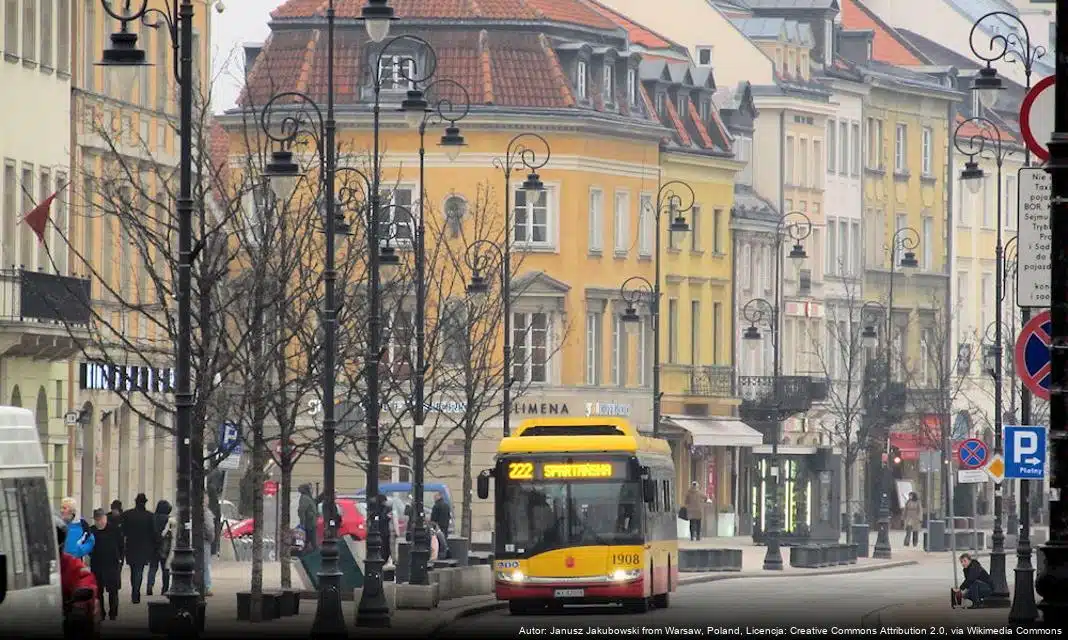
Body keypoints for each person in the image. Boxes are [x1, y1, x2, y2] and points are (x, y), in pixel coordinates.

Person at [56, 518, 101, 639]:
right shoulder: (31, 564)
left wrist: (80, 599)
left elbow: (86, 580)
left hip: (66, 614)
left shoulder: (70, 563)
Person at [88, 508, 122, 620]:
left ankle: (113, 613)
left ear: (105, 518)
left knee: (113, 590)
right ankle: (101, 613)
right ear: (95, 520)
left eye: (102, 519)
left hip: (112, 564)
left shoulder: (114, 529)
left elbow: (121, 544)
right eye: (98, 520)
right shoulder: (91, 531)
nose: (100, 522)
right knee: (98, 591)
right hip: (97, 564)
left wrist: (120, 558)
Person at [121, 494, 155, 603]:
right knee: (139, 570)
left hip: (131, 546)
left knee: (133, 570)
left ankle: (135, 591)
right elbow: (153, 533)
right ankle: (136, 591)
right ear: (145, 503)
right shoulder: (150, 516)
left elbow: (123, 531)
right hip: (144, 547)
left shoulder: (127, 514)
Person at [147, 500, 173, 596]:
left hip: (153, 546)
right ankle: (164, 588)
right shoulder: (168, 519)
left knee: (153, 567)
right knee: (165, 568)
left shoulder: (152, 518)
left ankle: (150, 585)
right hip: (164, 546)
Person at [297, 484, 318, 552]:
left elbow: (314, 503)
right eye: (311, 488)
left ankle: (306, 553)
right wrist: (302, 523)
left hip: (311, 523)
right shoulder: (305, 498)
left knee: (308, 542)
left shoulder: (308, 497)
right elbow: (301, 510)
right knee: (312, 542)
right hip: (309, 524)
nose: (312, 490)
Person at [202, 495, 215, 596]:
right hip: (204, 541)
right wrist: (211, 539)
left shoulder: (190, 511)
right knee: (205, 565)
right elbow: (210, 528)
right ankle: (206, 586)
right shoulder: (207, 513)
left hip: (192, 541)